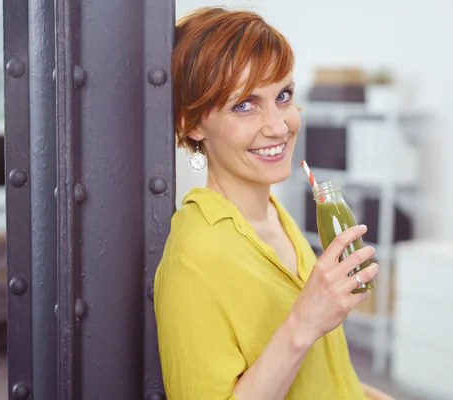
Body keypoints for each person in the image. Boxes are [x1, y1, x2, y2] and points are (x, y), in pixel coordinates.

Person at [154, 6, 392, 400]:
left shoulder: (275, 216)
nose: (279, 126)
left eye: (282, 96)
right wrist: (304, 321)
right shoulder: (194, 256)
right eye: (244, 105)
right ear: (191, 124)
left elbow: (314, 371)